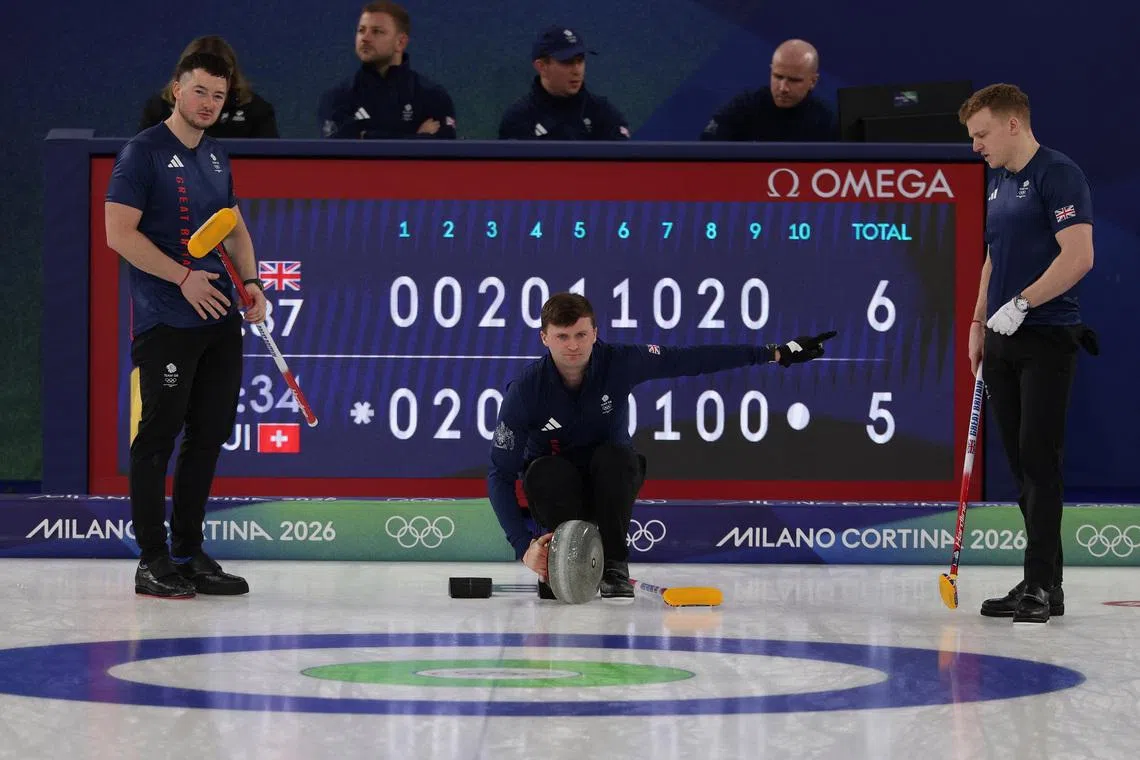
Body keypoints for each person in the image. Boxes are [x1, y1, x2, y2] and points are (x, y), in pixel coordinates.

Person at [487, 293, 835, 599]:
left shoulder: (621, 361)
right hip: (557, 493)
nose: (573, 346)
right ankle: (559, 560)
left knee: (617, 458)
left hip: (610, 485)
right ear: (544, 338)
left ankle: (613, 566)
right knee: (545, 470)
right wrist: (523, 547)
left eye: (581, 334)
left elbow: (689, 359)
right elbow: (500, 475)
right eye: (562, 337)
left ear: (595, 332)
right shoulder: (526, 391)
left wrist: (774, 353)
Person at [106, 51, 268, 598]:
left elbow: (235, 229)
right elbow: (119, 235)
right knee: (157, 437)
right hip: (167, 320)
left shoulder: (217, 157)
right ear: (177, 89)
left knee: (209, 436)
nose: (209, 104)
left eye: (218, 96)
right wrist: (182, 277)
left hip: (220, 319)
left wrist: (252, 283)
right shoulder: (142, 153)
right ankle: (151, 559)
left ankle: (188, 551)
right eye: (200, 92)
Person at [959, 83, 1097, 625]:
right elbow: (993, 258)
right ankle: (1043, 582)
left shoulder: (1057, 174)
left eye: (981, 134)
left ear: (1013, 124)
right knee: (1020, 466)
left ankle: (1041, 582)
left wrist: (1023, 303)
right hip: (1000, 338)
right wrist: (978, 321)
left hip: (1045, 336)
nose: (976, 146)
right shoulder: (997, 183)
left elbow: (1080, 256)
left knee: (1041, 462)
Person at [319, 1, 457, 139]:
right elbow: (342, 149)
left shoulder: (433, 96)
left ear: (400, 42)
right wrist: (417, 138)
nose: (365, 38)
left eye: (376, 31)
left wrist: (365, 136)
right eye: (361, 30)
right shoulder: (338, 97)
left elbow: (444, 149)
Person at [498, 26, 630, 140]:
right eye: (567, 62)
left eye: (580, 61)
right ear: (541, 67)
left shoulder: (602, 112)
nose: (577, 70)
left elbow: (623, 165)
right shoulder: (519, 118)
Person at [138, 36, 279, 138]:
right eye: (199, 91)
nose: (208, 104)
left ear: (232, 75)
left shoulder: (257, 110)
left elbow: (271, 165)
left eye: (219, 72)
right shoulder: (158, 108)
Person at [700, 39, 836, 142]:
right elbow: (707, 146)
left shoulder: (826, 119)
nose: (783, 88)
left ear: (813, 81)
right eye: (778, 76)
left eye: (794, 80)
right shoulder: (744, 107)